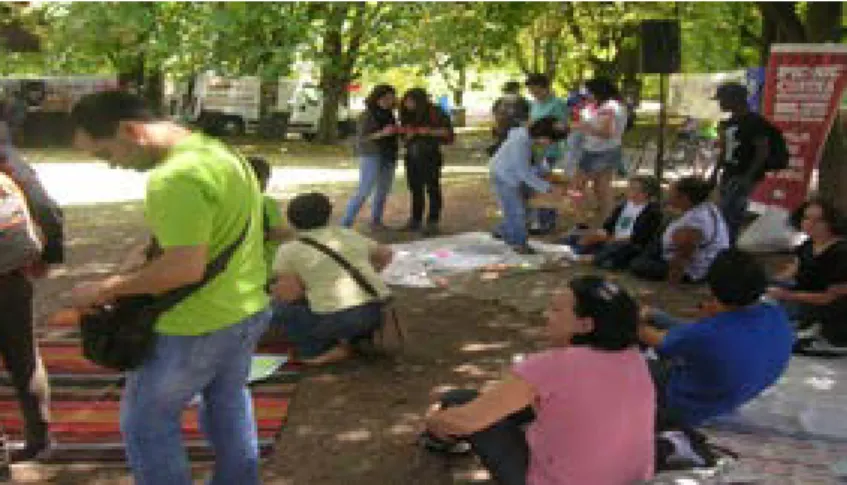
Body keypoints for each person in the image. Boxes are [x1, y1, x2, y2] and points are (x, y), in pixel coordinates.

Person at [68, 91, 271, 485]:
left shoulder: (173, 178)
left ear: (130, 130)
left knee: (146, 424)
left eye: (105, 153)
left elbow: (184, 268)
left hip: (193, 327)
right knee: (228, 404)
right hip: (246, 310)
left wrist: (105, 289)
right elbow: (210, 234)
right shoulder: (220, 153)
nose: (112, 165)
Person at [423, 276, 655, 485]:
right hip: (632, 479)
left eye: (555, 310)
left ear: (585, 325)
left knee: (459, 401)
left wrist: (434, 420)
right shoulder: (635, 358)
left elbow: (466, 420)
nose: (547, 316)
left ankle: (440, 440)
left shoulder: (552, 364)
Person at [639, 249, 793, 429]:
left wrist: (624, 318)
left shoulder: (708, 333)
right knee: (661, 319)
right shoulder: (774, 311)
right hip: (737, 392)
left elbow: (656, 339)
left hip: (686, 406)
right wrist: (653, 314)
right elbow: (691, 333)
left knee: (630, 351)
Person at [270, 192, 394, 365]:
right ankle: (355, 338)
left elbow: (290, 295)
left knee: (278, 308)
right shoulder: (346, 234)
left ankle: (318, 351)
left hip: (338, 317)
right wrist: (369, 272)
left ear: (291, 219)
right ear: (327, 215)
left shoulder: (289, 250)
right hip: (374, 310)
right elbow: (386, 254)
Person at [0, 170, 51, 463]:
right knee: (25, 359)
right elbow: (46, 211)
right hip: (12, 280)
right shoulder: (5, 180)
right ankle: (39, 438)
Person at [768, 198, 847, 354]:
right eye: (806, 218)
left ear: (831, 222)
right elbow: (790, 273)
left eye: (818, 220)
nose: (810, 223)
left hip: (829, 309)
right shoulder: (808, 245)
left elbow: (830, 298)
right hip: (803, 300)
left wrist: (788, 295)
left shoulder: (841, 252)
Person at [710, 82, 784, 245]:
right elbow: (724, 150)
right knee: (725, 213)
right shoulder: (728, 123)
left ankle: (728, 250)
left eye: (722, 99)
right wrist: (715, 172)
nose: (720, 103)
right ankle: (726, 247)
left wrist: (748, 177)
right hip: (728, 174)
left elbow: (762, 152)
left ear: (735, 99)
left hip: (744, 175)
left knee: (730, 213)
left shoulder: (755, 123)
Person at [630, 177, 729, 284]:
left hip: (693, 272)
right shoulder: (708, 206)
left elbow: (681, 260)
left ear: (684, 198)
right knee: (661, 228)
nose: (668, 197)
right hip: (698, 261)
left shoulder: (693, 225)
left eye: (671, 194)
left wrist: (671, 285)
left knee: (637, 264)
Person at [490, 117, 566, 254]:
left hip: (518, 176)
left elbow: (538, 162)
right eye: (551, 140)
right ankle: (518, 243)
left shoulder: (535, 141)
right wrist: (548, 188)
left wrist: (549, 175)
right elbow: (523, 172)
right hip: (504, 176)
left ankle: (504, 230)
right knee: (516, 210)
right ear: (542, 134)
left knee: (524, 209)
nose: (550, 144)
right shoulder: (519, 141)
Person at [561, 175, 663, 270]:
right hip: (610, 238)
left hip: (628, 244)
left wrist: (611, 238)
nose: (628, 190)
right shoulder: (623, 205)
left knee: (614, 249)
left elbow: (640, 238)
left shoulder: (652, 212)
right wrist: (601, 234)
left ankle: (582, 256)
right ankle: (574, 251)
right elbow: (608, 226)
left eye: (633, 188)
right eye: (630, 187)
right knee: (579, 233)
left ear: (645, 193)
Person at [569, 78, 630, 226]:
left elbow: (606, 132)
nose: (587, 95)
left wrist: (581, 126)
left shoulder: (609, 107)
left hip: (597, 151)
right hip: (608, 150)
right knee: (602, 188)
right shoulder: (615, 105)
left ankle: (580, 220)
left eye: (588, 92)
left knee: (576, 187)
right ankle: (606, 220)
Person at [341, 84, 400, 230]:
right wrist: (382, 133)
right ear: (377, 98)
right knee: (364, 190)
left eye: (391, 98)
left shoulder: (390, 114)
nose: (389, 101)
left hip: (389, 154)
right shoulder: (367, 115)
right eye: (385, 98)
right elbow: (361, 138)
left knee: (383, 190)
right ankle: (345, 224)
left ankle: (376, 221)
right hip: (371, 154)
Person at [398, 88, 454, 236]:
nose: (407, 104)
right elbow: (403, 138)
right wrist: (407, 136)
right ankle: (415, 220)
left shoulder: (435, 112)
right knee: (415, 188)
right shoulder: (406, 113)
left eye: (410, 101)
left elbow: (448, 133)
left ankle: (433, 222)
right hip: (412, 156)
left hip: (430, 155)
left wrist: (428, 131)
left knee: (432, 188)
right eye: (405, 101)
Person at [246, 156, 288, 280]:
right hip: (265, 268)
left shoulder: (229, 202)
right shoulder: (266, 202)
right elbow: (275, 232)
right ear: (262, 179)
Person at [489, 81, 531, 156]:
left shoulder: (524, 102)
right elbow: (495, 115)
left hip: (514, 132)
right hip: (507, 131)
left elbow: (528, 118)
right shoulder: (500, 101)